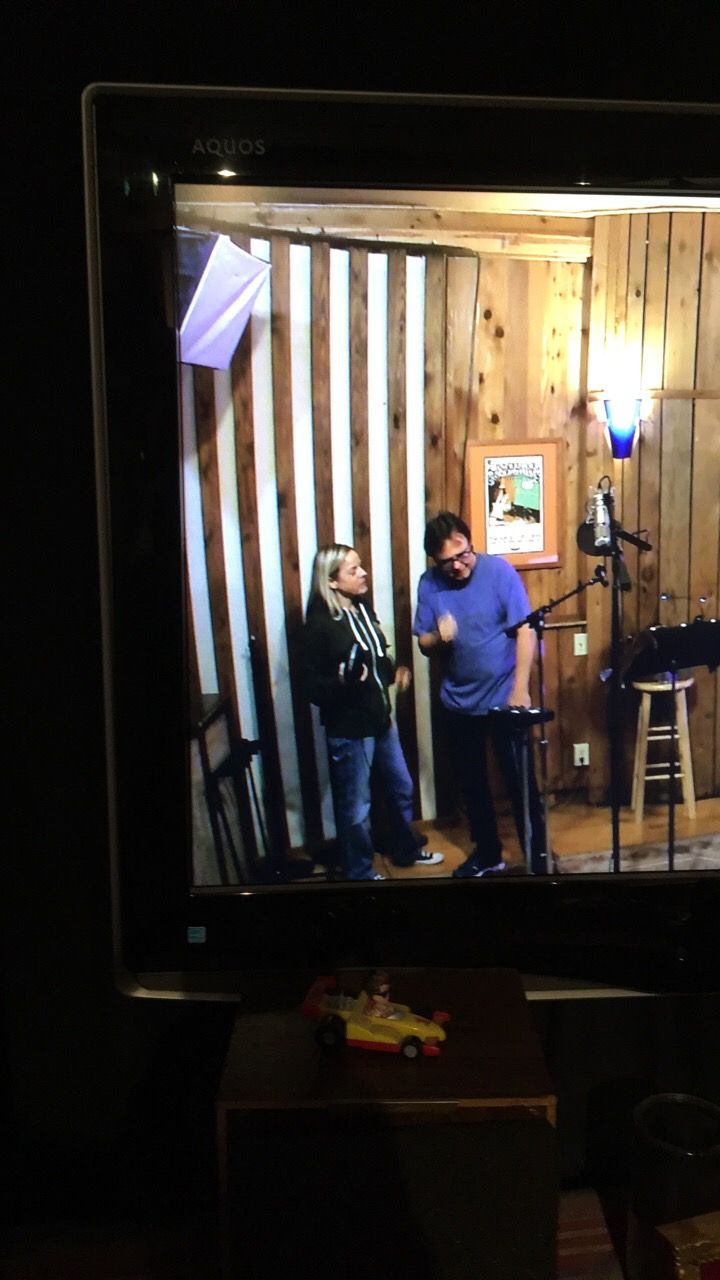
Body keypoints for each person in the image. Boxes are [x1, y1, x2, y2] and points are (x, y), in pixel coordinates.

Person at [412, 511, 547, 876]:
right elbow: (423, 642)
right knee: (473, 786)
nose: (458, 565)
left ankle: (538, 856)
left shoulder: (499, 571)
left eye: (463, 555)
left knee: (521, 784)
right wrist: (438, 636)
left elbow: (525, 630)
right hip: (459, 701)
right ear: (435, 561)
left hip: (504, 698)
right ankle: (489, 854)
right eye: (447, 562)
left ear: (470, 543)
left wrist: (520, 689)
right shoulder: (429, 584)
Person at [302, 544, 444, 881]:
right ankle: (360, 872)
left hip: (380, 720)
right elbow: (310, 687)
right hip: (350, 729)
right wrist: (342, 683)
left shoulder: (361, 608)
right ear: (331, 581)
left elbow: (375, 657)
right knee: (356, 808)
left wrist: (393, 672)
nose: (363, 573)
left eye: (361, 566)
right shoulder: (319, 625)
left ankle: (405, 849)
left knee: (401, 786)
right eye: (353, 570)